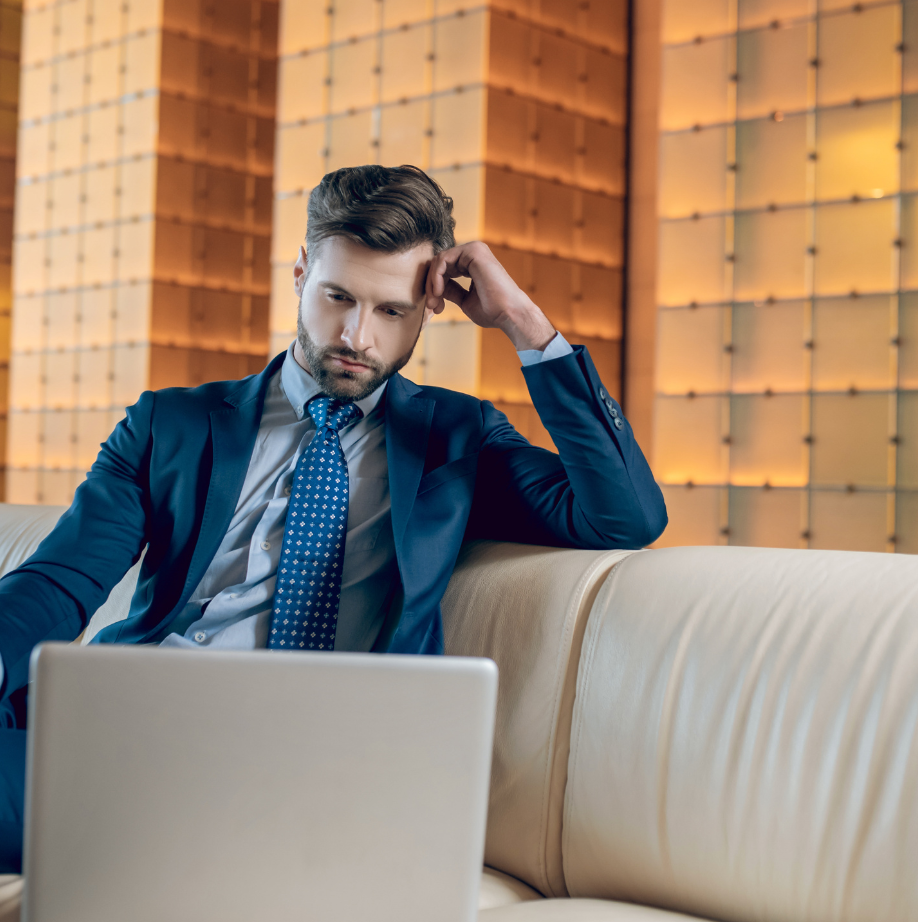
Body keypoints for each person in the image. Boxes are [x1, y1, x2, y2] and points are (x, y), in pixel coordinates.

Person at [0, 164, 667, 870]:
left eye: (390, 310)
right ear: (298, 277)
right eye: (337, 297)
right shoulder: (172, 424)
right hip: (133, 724)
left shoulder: (455, 438)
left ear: (428, 310)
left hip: (320, 758)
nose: (357, 336)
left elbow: (623, 517)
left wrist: (524, 324)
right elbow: (61, 580)